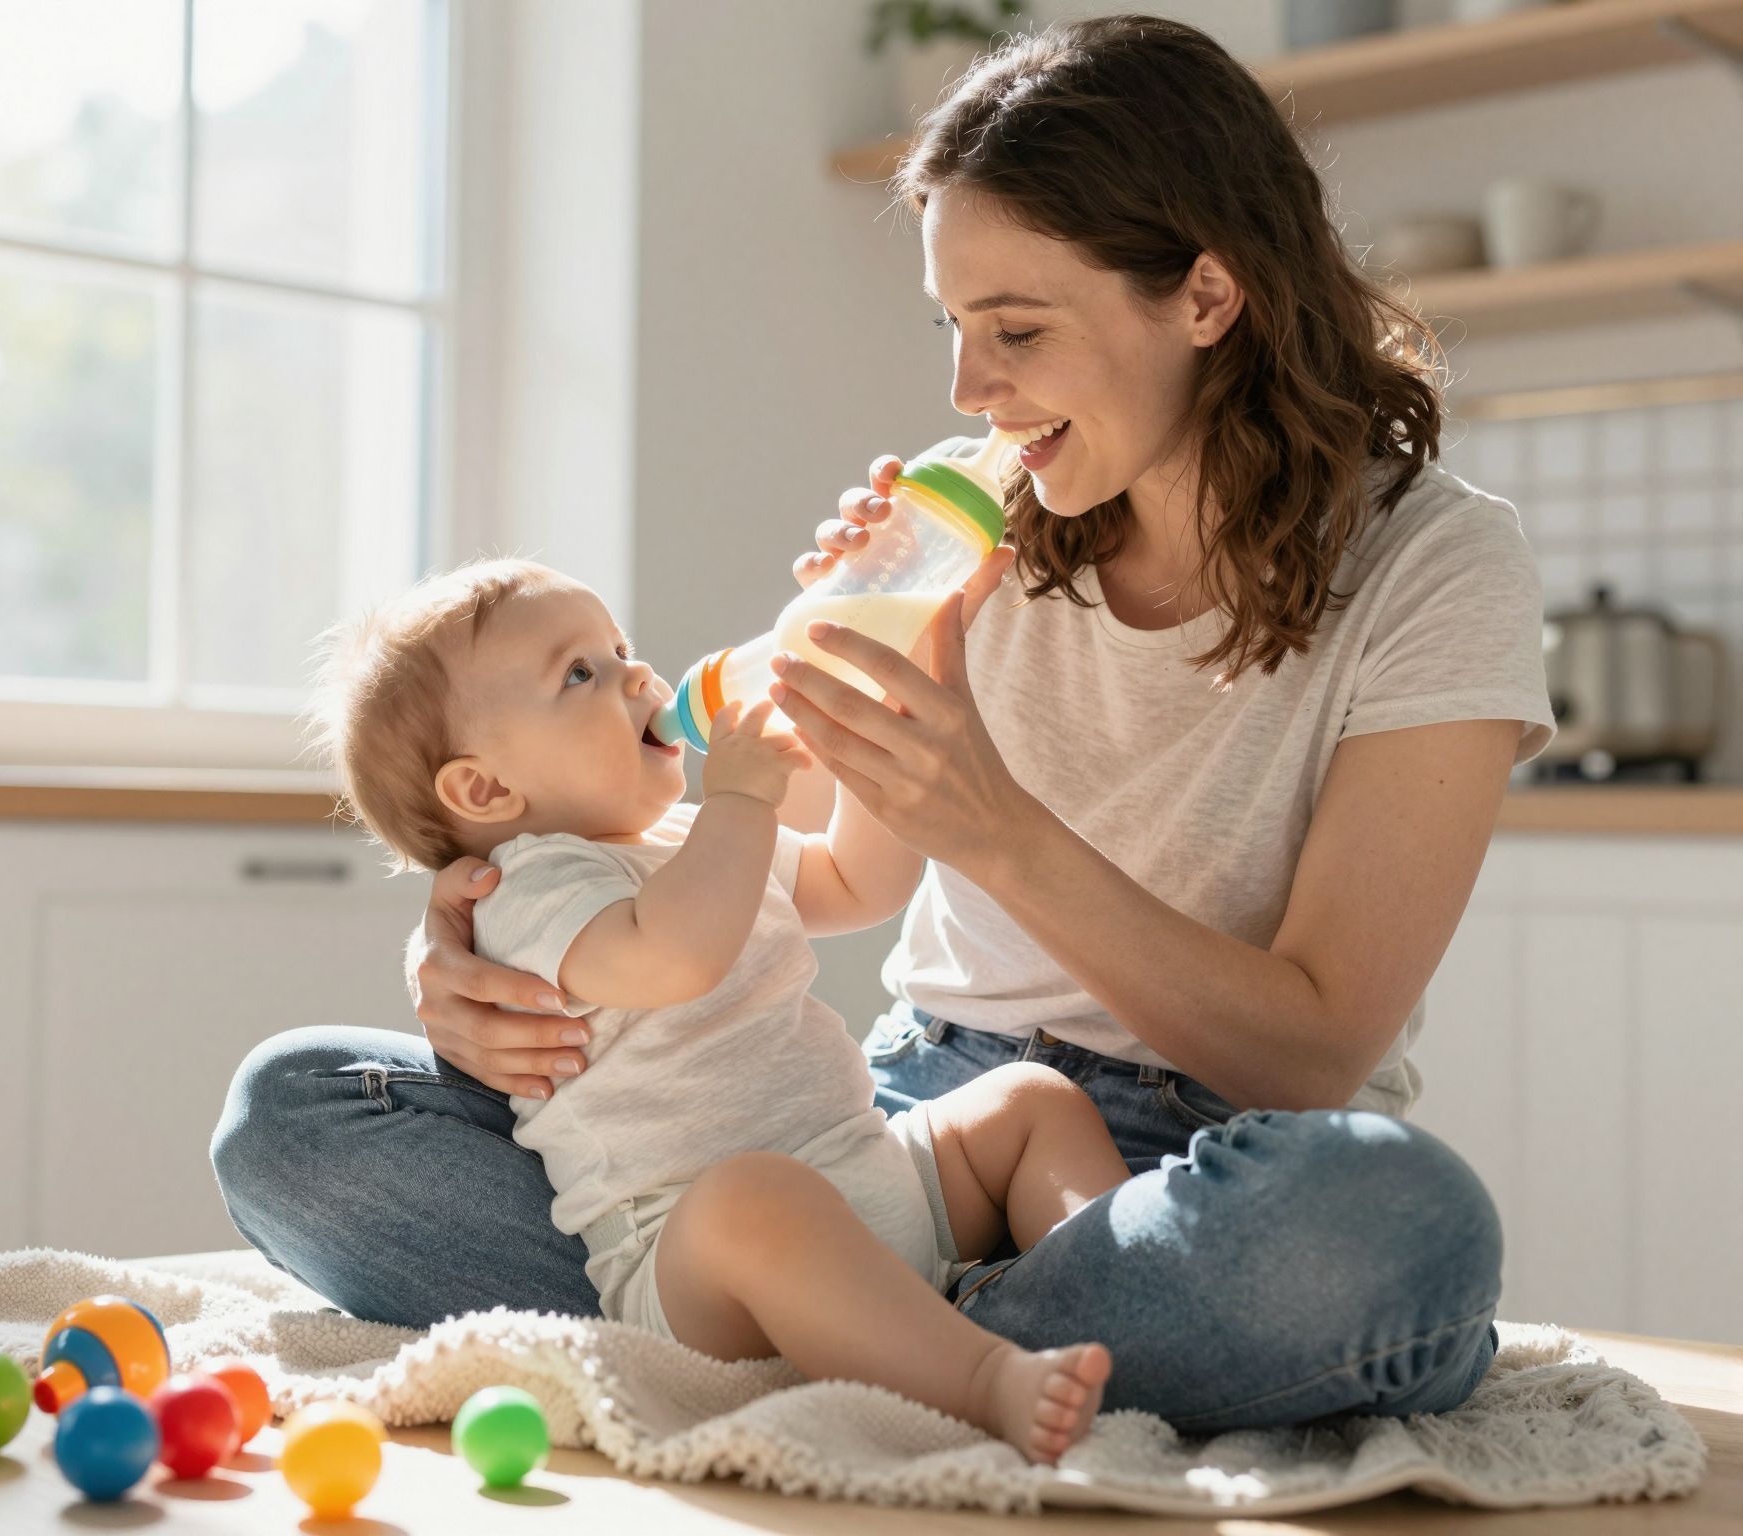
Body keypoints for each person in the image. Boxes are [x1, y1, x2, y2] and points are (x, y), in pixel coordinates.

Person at [212, 16, 1554, 1433]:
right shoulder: (963, 523)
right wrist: (479, 928)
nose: (970, 392)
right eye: (957, 331)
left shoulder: (1436, 564)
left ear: (1207, 295)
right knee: (298, 1113)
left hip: (1189, 1155)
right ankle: (959, 1341)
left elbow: (1312, 1049)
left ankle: (851, 1336)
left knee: (1397, 1228)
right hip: (896, 1109)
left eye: (1018, 331)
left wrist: (998, 829)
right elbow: (684, 812)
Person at [306, 557, 1132, 1461]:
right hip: (695, 1252)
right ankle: (983, 1382)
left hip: (871, 1170)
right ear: (486, 791)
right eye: (580, 673)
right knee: (753, 1198)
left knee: (1028, 1102)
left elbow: (860, 884)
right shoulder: (528, 889)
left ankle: (1125, 1309)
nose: (641, 679)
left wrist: (873, 737)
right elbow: (675, 955)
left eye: (621, 649)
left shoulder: (683, 842)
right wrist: (738, 798)